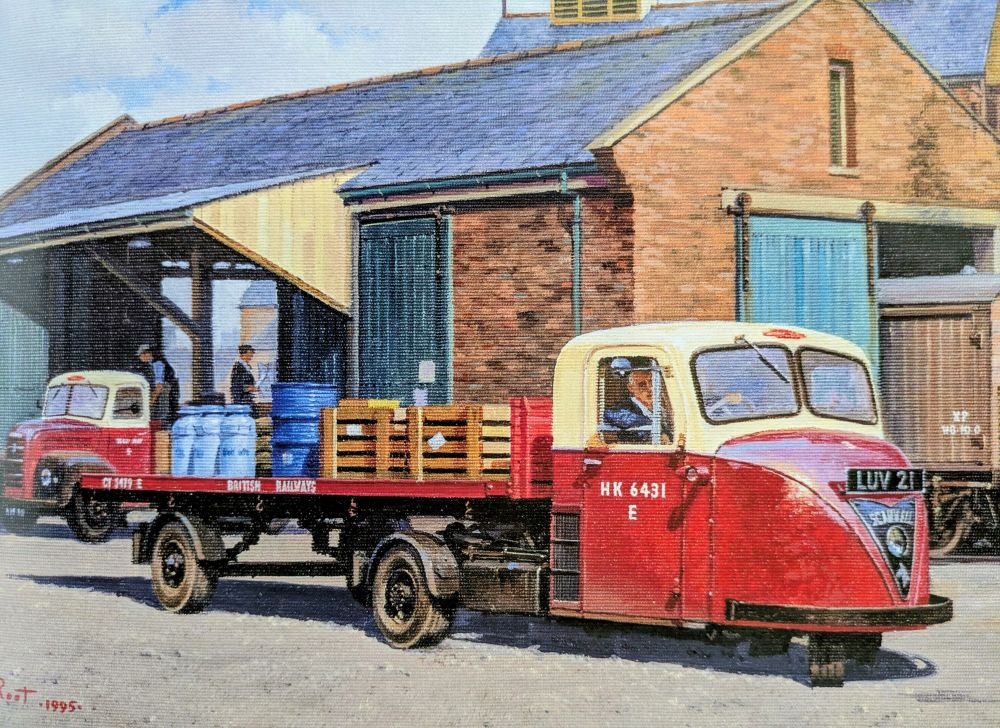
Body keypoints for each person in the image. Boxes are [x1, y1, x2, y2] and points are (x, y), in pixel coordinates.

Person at [135, 344, 179, 425]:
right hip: (165, 389)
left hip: (166, 390)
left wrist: (151, 401)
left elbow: (159, 386)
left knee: (161, 414)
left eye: (140, 355)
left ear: (147, 353)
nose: (140, 358)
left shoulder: (157, 364)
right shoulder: (152, 364)